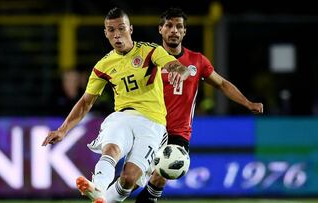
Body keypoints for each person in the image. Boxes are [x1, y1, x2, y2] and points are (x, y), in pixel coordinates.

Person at [42, 7, 190, 203]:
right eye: (111, 30)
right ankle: (99, 186)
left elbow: (175, 66)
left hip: (152, 123)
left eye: (121, 28)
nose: (117, 34)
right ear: (106, 33)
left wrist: (180, 71)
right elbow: (86, 101)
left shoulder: (150, 51)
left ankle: (104, 198)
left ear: (130, 29)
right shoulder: (103, 66)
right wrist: (63, 130)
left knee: (129, 179)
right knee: (111, 148)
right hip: (123, 117)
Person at [135, 8, 264, 203]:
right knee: (132, 179)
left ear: (185, 31)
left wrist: (247, 103)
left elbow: (221, 84)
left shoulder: (197, 61)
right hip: (150, 126)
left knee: (163, 172)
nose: (174, 30)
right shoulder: (148, 59)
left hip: (179, 132)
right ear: (160, 29)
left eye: (179, 26)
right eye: (169, 26)